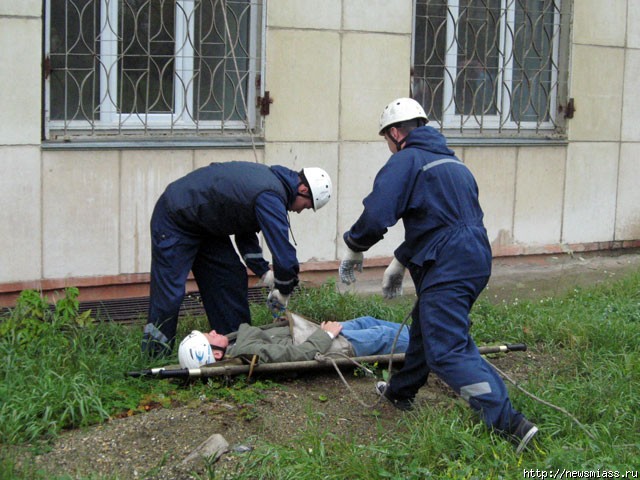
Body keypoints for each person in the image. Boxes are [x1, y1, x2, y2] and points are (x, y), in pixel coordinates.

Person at [338, 98, 538, 453]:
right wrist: (401, 259)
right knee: (425, 328)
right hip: (475, 256)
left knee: (446, 349)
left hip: (448, 261)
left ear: (397, 133)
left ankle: (509, 424)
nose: (389, 146)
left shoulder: (407, 160)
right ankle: (401, 392)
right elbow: (441, 220)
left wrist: (355, 245)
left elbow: (378, 212)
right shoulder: (453, 165)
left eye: (387, 139)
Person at [141, 161, 332, 357]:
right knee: (169, 295)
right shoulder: (270, 195)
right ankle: (154, 356)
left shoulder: (270, 186)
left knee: (229, 277)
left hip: (205, 224)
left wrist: (264, 273)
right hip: (176, 217)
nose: (300, 211)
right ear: (302, 189)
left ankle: (234, 347)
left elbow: (245, 231)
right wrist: (284, 288)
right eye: (306, 205)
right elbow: (284, 253)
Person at [177, 314, 410, 367]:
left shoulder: (236, 344)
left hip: (308, 333)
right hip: (328, 344)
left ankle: (424, 330)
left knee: (366, 321)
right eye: (210, 337)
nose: (215, 330)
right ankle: (436, 341)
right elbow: (298, 356)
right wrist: (326, 334)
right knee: (385, 335)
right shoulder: (247, 352)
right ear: (216, 354)